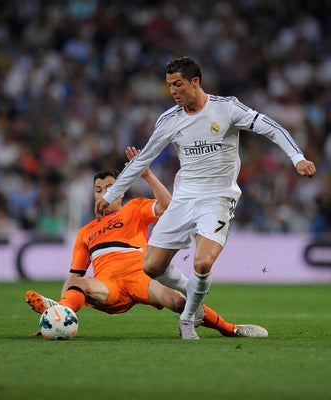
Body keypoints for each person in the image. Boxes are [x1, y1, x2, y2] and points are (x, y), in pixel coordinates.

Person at [95, 56, 316, 340]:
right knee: (151, 267)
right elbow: (142, 160)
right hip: (184, 199)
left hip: (218, 198)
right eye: (169, 86)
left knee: (202, 263)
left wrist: (297, 158)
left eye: (178, 84)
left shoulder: (226, 109)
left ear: (195, 82)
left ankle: (188, 318)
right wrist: (112, 193)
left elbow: (271, 127)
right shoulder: (169, 120)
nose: (173, 91)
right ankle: (195, 300)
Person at [26, 147, 268, 338]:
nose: (103, 193)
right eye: (98, 189)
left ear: (120, 191)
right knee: (79, 283)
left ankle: (230, 329)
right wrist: (55, 315)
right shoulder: (85, 232)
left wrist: (147, 174)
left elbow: (168, 207)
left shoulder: (133, 208)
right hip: (108, 284)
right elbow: (73, 276)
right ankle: (59, 314)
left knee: (179, 302)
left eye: (110, 187)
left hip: (140, 275)